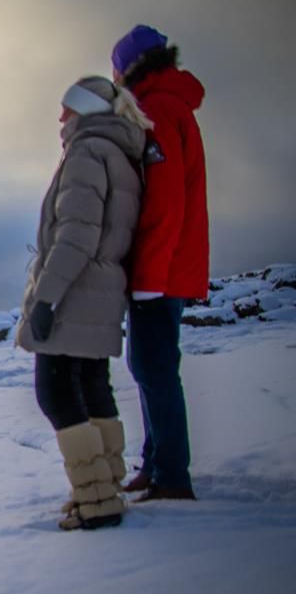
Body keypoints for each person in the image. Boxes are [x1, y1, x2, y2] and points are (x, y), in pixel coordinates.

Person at [16, 76, 152, 530]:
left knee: (55, 391)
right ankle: (103, 489)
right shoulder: (120, 154)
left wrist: (46, 299)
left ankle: (96, 502)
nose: (60, 117)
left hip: (77, 291)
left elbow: (76, 235)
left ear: (87, 111)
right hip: (103, 290)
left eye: (68, 108)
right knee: (92, 386)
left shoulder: (87, 153)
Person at [111, 25, 208, 501]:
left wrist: (148, 277)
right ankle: (155, 463)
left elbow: (165, 203)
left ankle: (171, 474)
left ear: (130, 68)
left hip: (162, 271)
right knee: (149, 364)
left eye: (116, 70)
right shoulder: (167, 105)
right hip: (168, 267)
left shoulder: (157, 111)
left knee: (155, 367)